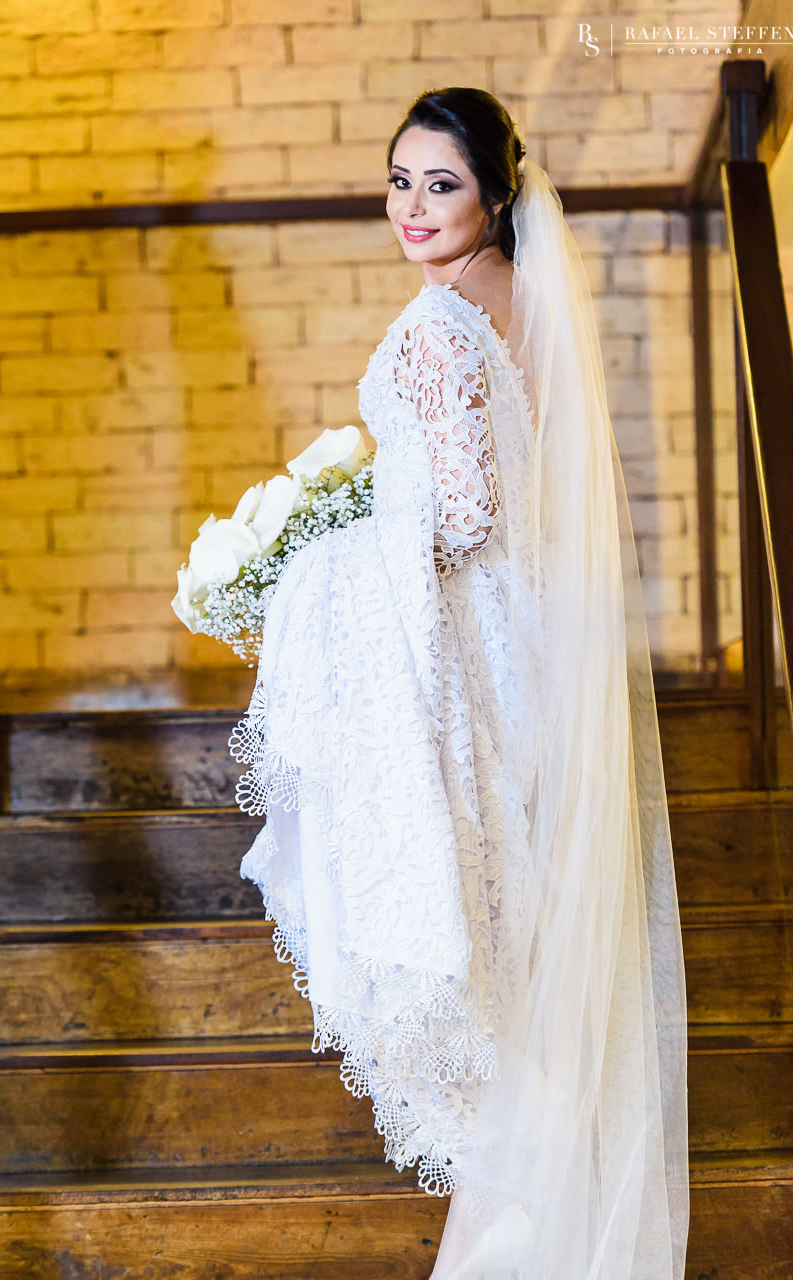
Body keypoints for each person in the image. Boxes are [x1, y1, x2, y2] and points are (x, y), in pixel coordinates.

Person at [230, 87, 689, 1278]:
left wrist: (313, 560)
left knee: (471, 956)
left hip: (473, 656)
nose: (414, 208)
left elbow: (469, 510)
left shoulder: (440, 322)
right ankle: (519, 1227)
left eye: (441, 183)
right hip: (536, 646)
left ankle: (505, 1226)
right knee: (519, 958)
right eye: (399, 181)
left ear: (493, 193)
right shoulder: (531, 305)